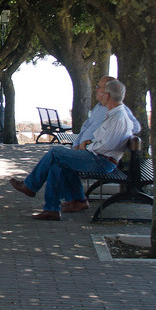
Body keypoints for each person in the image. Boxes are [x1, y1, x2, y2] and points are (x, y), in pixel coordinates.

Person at [9, 79, 133, 220]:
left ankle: (30, 186)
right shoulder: (112, 114)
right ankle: (52, 210)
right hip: (98, 157)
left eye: (101, 90)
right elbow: (103, 140)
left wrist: (85, 146)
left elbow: (105, 146)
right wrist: (87, 142)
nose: (98, 92)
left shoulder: (118, 117)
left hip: (101, 161)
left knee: (55, 152)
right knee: (57, 165)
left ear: (108, 95)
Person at [59, 75, 141, 210]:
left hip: (97, 155)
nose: (96, 89)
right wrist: (77, 144)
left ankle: (44, 196)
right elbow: (86, 126)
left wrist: (119, 131)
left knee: (57, 155)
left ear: (109, 91)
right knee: (59, 159)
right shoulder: (98, 107)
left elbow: (135, 127)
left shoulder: (118, 111)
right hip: (89, 149)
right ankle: (75, 200)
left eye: (99, 87)